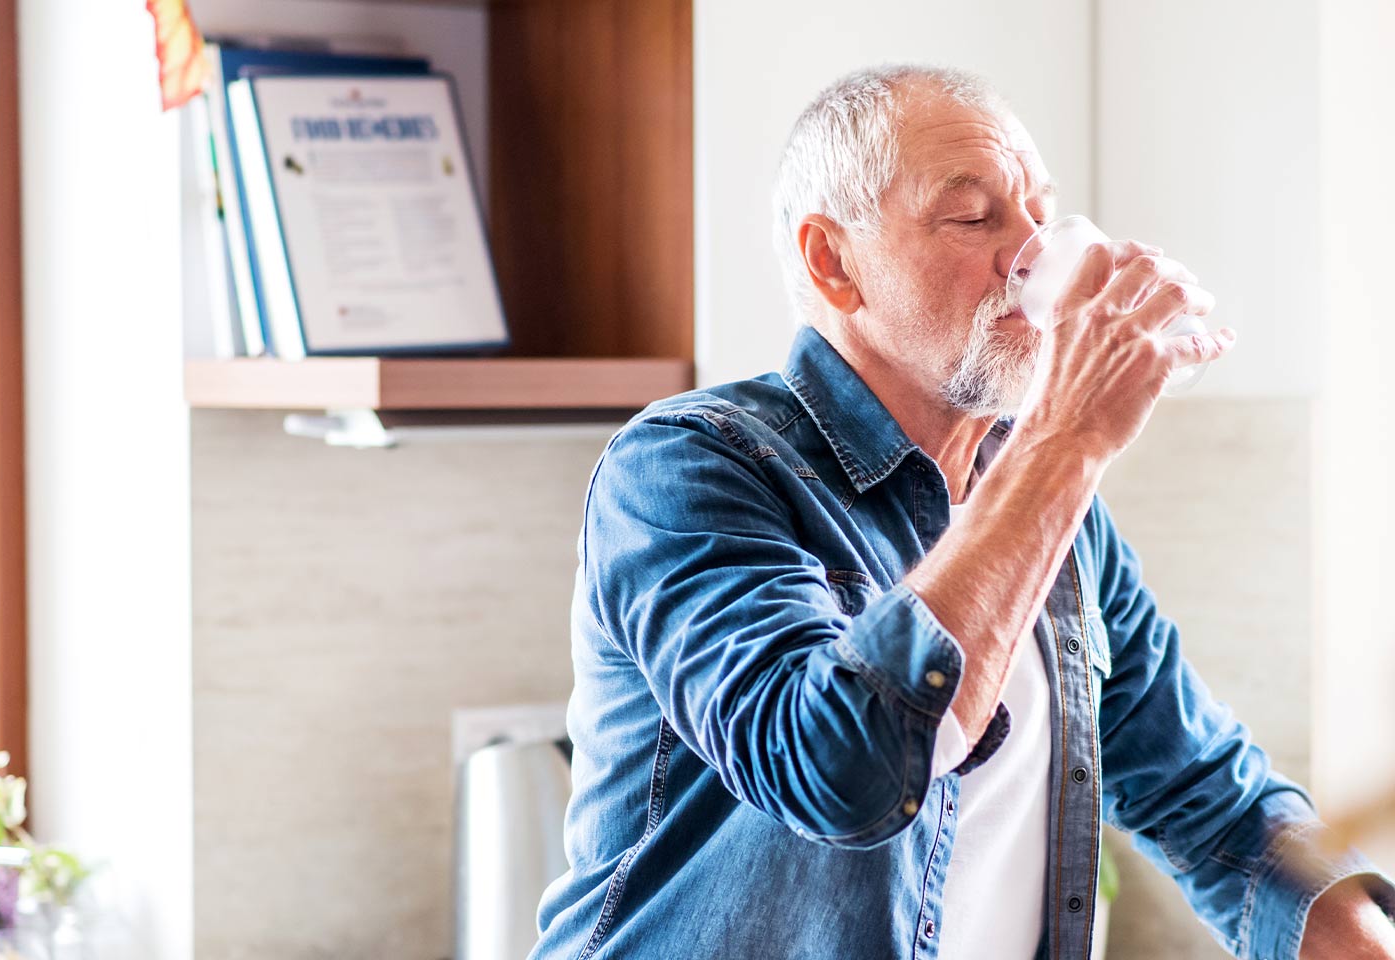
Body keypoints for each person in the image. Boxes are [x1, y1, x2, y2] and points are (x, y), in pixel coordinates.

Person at [528, 64, 1395, 959]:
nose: (1030, 251)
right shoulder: (690, 466)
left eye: (1037, 211)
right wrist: (1064, 439)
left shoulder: (1051, 505)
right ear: (835, 262)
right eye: (974, 217)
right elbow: (836, 773)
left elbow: (1215, 807)